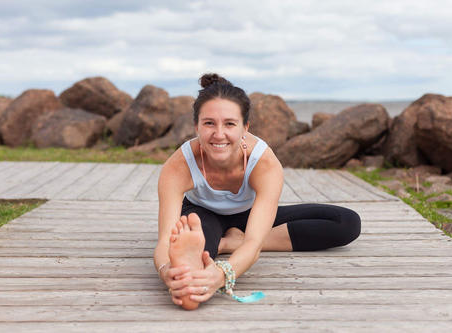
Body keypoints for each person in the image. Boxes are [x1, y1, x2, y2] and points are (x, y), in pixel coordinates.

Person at [153, 73, 361, 310]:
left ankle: (228, 244)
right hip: (200, 215)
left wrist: (222, 275)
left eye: (229, 124)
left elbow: (252, 244)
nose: (219, 134)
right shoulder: (179, 165)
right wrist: (166, 271)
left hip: (248, 215)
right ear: (196, 126)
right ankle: (192, 265)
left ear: (245, 128)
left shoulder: (264, 162)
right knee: (190, 277)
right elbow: (162, 241)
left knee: (346, 222)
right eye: (209, 123)